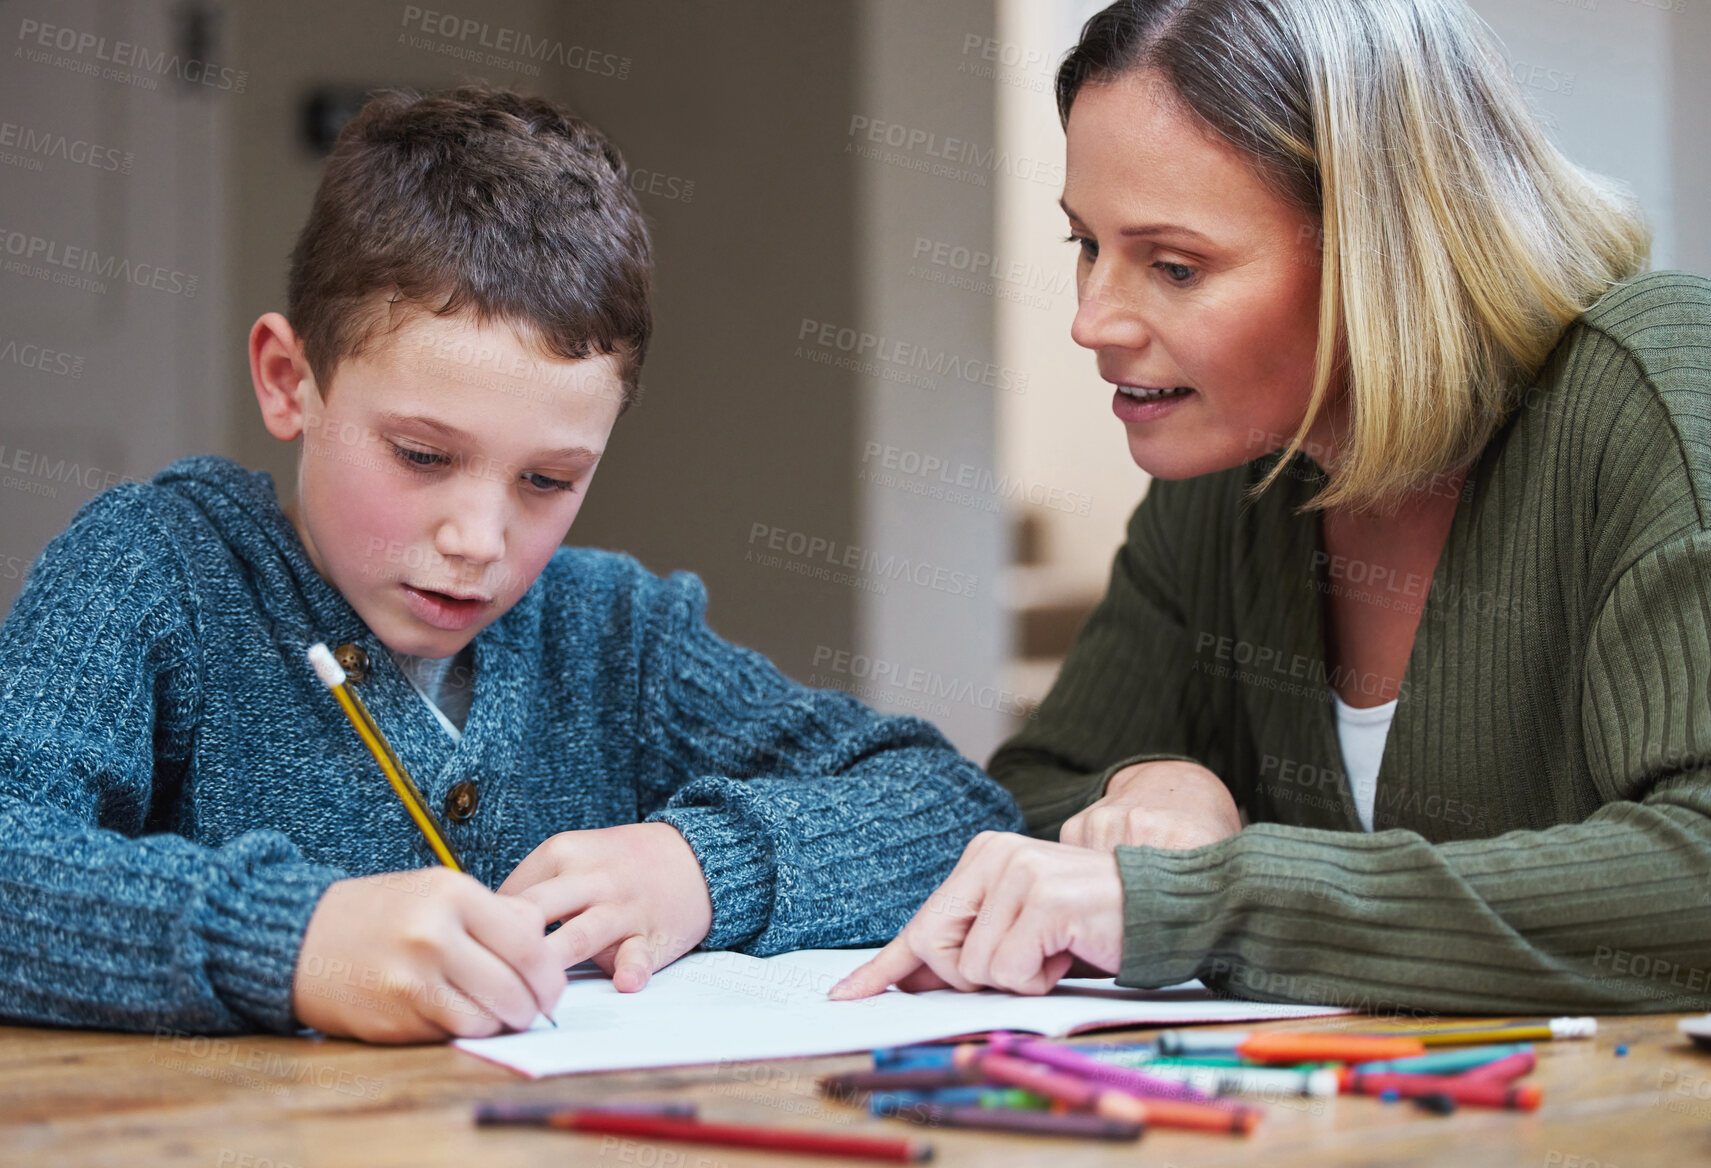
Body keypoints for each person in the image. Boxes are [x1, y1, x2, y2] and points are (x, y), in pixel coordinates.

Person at [0, 85, 1022, 1043]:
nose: (478, 540)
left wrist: (702, 866)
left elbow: (950, 806)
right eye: (423, 456)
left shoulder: (615, 637)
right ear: (288, 380)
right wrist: (291, 938)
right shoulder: (155, 575)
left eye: (546, 480)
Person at [833, 0, 1711, 1014]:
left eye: (1174, 265)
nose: (1089, 320)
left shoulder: (1654, 384)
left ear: (1381, 250)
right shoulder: (1233, 466)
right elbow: (1030, 791)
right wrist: (1149, 783)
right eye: (1086, 243)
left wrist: (1209, 900)